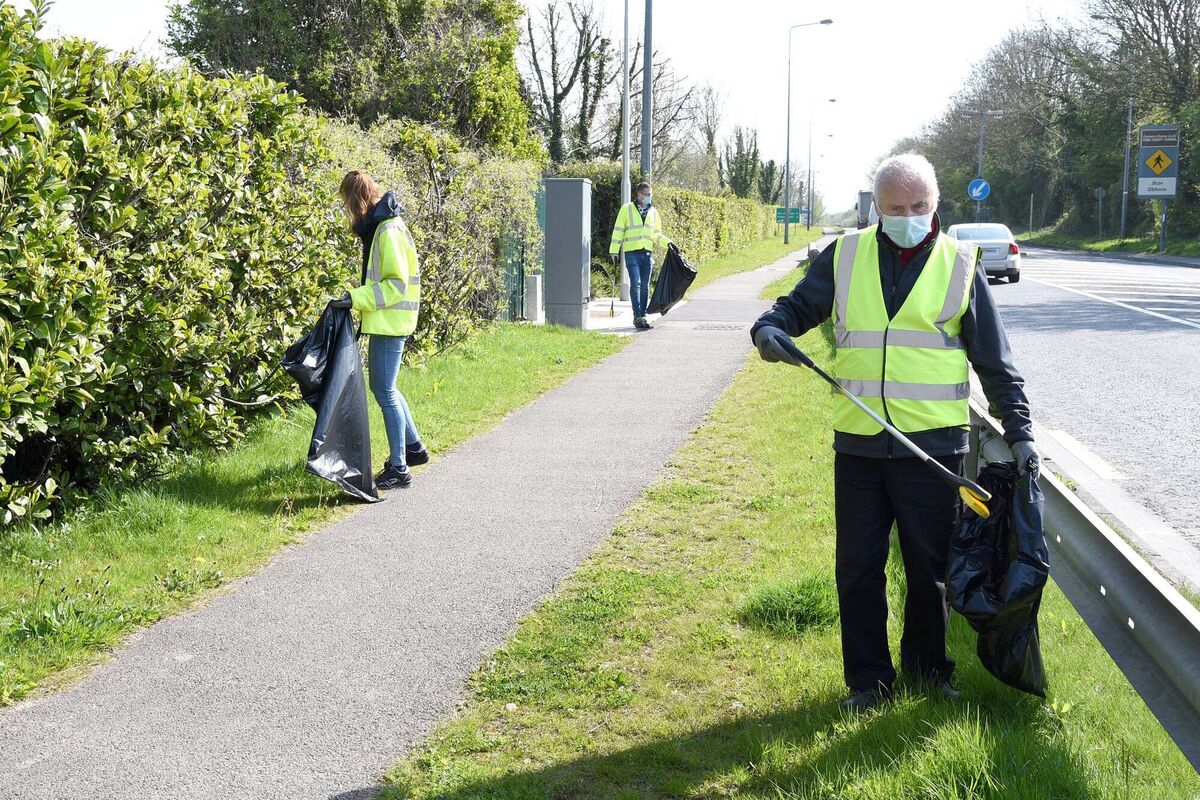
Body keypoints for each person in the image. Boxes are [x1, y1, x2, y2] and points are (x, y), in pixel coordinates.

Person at [750, 153, 1037, 711]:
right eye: (896, 208)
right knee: (857, 569)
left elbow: (995, 362)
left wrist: (1020, 430)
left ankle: (930, 675)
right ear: (876, 207)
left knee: (931, 573)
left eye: (920, 207)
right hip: (858, 445)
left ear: (936, 204)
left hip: (933, 448)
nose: (909, 216)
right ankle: (868, 684)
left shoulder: (959, 263)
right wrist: (767, 330)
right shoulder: (845, 255)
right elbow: (793, 309)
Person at [331, 171, 429, 490]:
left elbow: (396, 285)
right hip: (390, 321)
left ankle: (399, 468)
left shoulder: (387, 230)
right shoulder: (383, 225)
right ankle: (413, 448)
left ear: (356, 199)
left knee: (384, 390)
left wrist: (354, 299)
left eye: (347, 202)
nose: (348, 209)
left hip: (391, 323)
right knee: (386, 388)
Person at [608, 181, 671, 330]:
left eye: (650, 194)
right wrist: (614, 250)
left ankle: (643, 315)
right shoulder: (627, 209)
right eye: (647, 195)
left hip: (646, 253)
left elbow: (656, 234)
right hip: (632, 253)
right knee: (635, 284)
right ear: (639, 195)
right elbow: (618, 230)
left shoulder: (653, 212)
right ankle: (637, 315)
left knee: (645, 286)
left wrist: (668, 243)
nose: (649, 197)